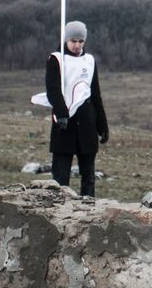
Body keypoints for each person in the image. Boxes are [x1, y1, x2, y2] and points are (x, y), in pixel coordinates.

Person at [45, 20, 108, 197]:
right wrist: (61, 113)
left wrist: (102, 125)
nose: (77, 45)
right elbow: (53, 90)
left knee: (88, 176)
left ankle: (88, 209)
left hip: (87, 124)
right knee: (60, 177)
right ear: (66, 40)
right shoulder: (56, 59)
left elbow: (95, 94)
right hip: (64, 124)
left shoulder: (89, 61)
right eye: (73, 41)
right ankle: (58, 207)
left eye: (81, 41)